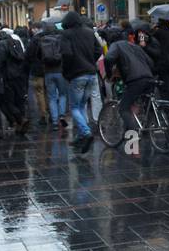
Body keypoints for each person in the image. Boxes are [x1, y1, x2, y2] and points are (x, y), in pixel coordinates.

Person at [59, 10, 102, 154]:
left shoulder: (66, 35)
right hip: (91, 73)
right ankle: (81, 136)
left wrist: (66, 72)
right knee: (82, 105)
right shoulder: (89, 32)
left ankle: (86, 132)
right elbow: (99, 50)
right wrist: (90, 61)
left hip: (76, 75)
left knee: (75, 107)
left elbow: (66, 54)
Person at [103, 33, 156, 138]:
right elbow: (150, 62)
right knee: (147, 105)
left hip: (135, 80)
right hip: (148, 78)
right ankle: (148, 130)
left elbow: (108, 58)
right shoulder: (134, 46)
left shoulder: (116, 45)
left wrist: (109, 74)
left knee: (123, 108)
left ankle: (134, 133)